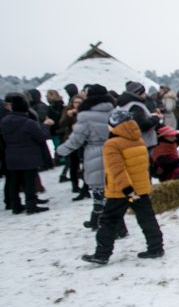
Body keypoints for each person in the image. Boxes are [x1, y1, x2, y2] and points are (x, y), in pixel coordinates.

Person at [81, 109, 164, 265]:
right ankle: (156, 247)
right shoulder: (138, 140)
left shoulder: (112, 144)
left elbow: (117, 170)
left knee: (108, 220)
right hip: (140, 188)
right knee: (146, 217)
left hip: (122, 191)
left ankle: (102, 254)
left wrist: (128, 191)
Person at [56, 84, 114, 229]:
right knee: (111, 191)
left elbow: (76, 139)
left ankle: (114, 227)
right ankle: (96, 221)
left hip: (95, 154)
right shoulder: (114, 111)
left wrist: (61, 150)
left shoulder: (86, 116)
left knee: (100, 192)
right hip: (114, 152)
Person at [0, 93, 50, 215]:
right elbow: (41, 136)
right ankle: (31, 205)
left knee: (14, 181)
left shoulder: (4, 121)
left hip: (11, 155)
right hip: (29, 155)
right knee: (29, 181)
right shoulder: (28, 122)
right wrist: (45, 126)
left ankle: (15, 206)